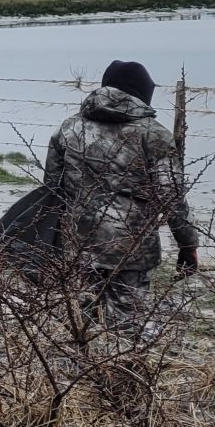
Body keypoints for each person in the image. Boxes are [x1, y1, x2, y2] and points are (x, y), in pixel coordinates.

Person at [44, 60, 199, 333]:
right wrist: (188, 244)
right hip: (132, 247)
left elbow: (52, 189)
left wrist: (55, 239)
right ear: (142, 93)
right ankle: (120, 358)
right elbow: (171, 197)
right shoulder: (154, 135)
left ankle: (79, 358)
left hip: (78, 243)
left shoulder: (68, 128)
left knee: (80, 319)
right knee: (126, 325)